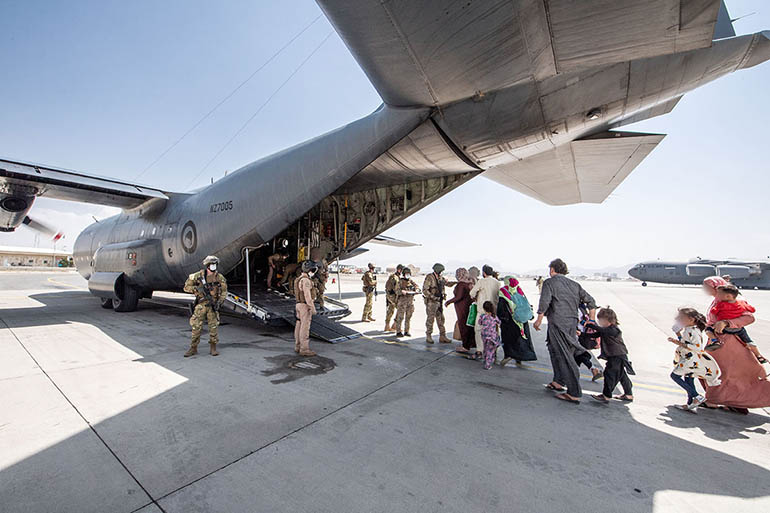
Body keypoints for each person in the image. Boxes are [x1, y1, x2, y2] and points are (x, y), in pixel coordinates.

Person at [699, 276, 770, 411]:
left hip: (730, 342)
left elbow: (749, 317)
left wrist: (727, 323)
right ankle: (729, 402)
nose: (704, 289)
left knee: (723, 372)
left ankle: (720, 401)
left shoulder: (734, 301)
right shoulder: (717, 300)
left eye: (707, 286)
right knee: (715, 371)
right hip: (717, 340)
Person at [534, 258, 596, 404]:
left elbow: (544, 302)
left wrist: (538, 319)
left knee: (564, 355)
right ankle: (559, 381)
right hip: (571, 324)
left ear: (552, 270)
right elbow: (591, 301)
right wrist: (591, 319)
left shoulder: (550, 282)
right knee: (553, 350)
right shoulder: (575, 285)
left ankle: (574, 392)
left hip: (558, 323)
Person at [668, 307, 721, 413]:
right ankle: (690, 403)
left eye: (681, 318)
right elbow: (685, 341)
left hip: (690, 359)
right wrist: (678, 334)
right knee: (689, 378)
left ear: (691, 319)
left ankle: (697, 396)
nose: (678, 319)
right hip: (688, 357)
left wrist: (678, 343)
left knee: (675, 376)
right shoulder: (688, 329)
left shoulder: (693, 331)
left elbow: (697, 347)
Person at [586, 308, 634, 404]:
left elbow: (603, 331)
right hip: (617, 356)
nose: (600, 323)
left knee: (609, 375)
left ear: (609, 320)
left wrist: (592, 325)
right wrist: (582, 334)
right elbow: (596, 334)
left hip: (617, 356)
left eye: (601, 321)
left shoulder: (614, 329)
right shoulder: (605, 330)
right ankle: (628, 394)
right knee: (621, 376)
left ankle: (606, 396)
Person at [707, 284, 766, 362]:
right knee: (748, 341)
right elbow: (752, 309)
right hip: (738, 329)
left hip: (724, 330)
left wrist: (723, 322)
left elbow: (713, 313)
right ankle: (758, 355)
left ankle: (715, 341)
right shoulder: (741, 303)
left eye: (719, 294)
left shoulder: (721, 304)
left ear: (727, 296)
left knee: (708, 330)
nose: (717, 295)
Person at [183, 255, 227, 357]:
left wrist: (219, 302)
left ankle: (213, 347)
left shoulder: (219, 278)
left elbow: (224, 292)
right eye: (212, 264)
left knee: (213, 328)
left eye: (215, 264)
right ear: (207, 265)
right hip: (201, 306)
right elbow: (186, 287)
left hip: (212, 306)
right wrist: (196, 289)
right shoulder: (198, 276)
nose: (214, 266)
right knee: (196, 327)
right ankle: (193, 348)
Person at [497, 276, 537, 366]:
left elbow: (501, 307)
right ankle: (520, 357)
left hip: (510, 321)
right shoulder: (519, 291)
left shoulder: (503, 291)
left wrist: (501, 318)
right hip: (522, 320)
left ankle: (509, 355)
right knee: (522, 339)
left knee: (509, 339)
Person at [469, 265, 501, 360]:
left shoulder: (482, 281)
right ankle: (493, 351)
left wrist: (476, 296)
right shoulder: (497, 282)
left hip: (483, 311)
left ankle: (480, 351)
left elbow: (472, 293)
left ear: (484, 273)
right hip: (494, 312)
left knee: (478, 330)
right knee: (494, 331)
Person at [423, 263, 454, 344]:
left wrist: (457, 282)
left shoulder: (440, 278)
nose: (442, 272)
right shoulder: (430, 277)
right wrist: (433, 297)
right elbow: (425, 290)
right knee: (430, 319)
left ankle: (442, 336)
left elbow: (448, 284)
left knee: (441, 319)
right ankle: (428, 336)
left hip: (439, 302)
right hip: (431, 302)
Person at [446, 267, 475, 354]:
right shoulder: (468, 283)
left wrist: (448, 302)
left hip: (462, 308)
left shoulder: (461, 285)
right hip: (468, 306)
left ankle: (465, 346)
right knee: (469, 326)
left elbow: (458, 297)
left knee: (463, 326)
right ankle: (470, 344)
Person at [294, 260, 318, 357]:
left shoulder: (299, 279)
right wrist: (312, 308)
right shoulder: (306, 281)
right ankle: (304, 349)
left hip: (298, 304)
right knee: (305, 328)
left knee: (298, 325)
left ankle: (297, 346)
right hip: (305, 306)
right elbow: (307, 296)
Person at [394, 267, 420, 337]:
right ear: (404, 274)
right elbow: (396, 291)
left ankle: (406, 331)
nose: (407, 275)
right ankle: (398, 331)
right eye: (406, 274)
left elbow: (417, 286)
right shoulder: (400, 281)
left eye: (409, 274)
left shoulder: (411, 281)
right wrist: (402, 291)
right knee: (400, 317)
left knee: (408, 317)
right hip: (402, 302)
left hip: (410, 302)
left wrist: (417, 290)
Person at [479, 301, 501, 370]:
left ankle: (485, 360)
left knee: (485, 348)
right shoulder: (494, 317)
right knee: (490, 350)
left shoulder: (482, 316)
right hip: (492, 336)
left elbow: (480, 322)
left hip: (484, 335)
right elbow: (499, 322)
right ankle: (488, 364)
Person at [384, 264, 403, 332]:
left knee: (390, 311)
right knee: (400, 310)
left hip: (390, 296)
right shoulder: (395, 277)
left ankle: (387, 326)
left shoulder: (393, 276)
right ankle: (395, 326)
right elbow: (397, 289)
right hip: (394, 297)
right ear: (399, 270)